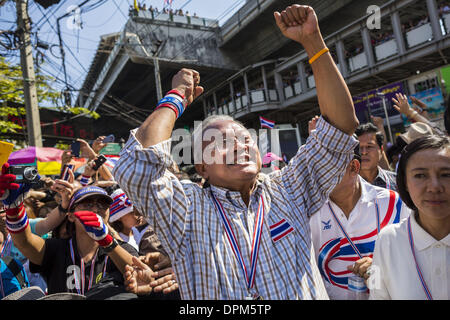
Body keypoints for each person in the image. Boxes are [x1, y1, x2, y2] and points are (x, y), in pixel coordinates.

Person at [113, 5, 359, 300]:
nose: (239, 146)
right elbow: (138, 165)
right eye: (221, 142)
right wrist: (176, 97)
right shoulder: (186, 209)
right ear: (201, 168)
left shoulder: (289, 189)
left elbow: (340, 128)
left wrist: (314, 43)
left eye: (244, 138)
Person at [0, 164, 140, 297]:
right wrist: (14, 208)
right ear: (71, 216)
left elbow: (139, 273)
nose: (96, 209)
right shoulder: (56, 249)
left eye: (102, 205)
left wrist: (106, 241)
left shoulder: (121, 249)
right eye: (87, 204)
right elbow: (25, 242)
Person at [309, 139, 411, 300]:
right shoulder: (311, 214)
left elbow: (413, 256)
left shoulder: (392, 203)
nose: (318, 176)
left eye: (326, 168)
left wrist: (380, 267)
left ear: (354, 167)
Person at [369, 134, 450, 299]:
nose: (434, 187)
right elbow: (376, 293)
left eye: (446, 174)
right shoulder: (387, 240)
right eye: (420, 175)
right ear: (404, 182)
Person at [355, 123, 398, 191]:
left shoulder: (398, 182)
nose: (364, 152)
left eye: (369, 146)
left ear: (381, 150)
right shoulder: (343, 187)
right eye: (359, 148)